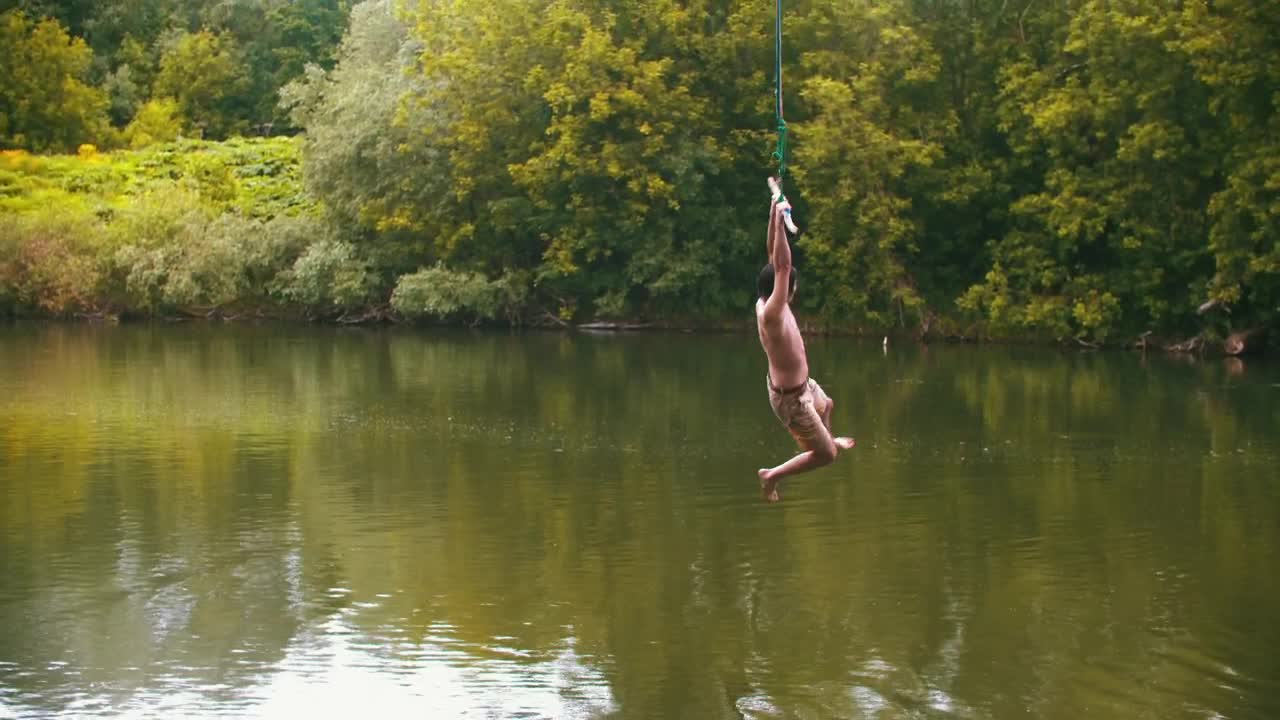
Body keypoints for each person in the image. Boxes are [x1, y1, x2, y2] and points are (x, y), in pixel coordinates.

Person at [755, 180, 854, 502]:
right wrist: (782, 219)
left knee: (829, 405)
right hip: (791, 399)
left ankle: (825, 436)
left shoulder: (767, 301)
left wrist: (775, 211)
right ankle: (772, 475)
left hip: (803, 386)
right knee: (827, 457)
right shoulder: (772, 313)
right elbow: (782, 265)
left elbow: (774, 257)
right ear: (785, 288)